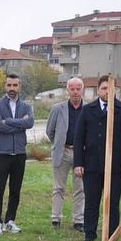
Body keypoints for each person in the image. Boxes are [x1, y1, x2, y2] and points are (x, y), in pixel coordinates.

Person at [73, 75, 121, 241]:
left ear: (117, 90)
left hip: (115, 167)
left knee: (113, 202)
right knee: (92, 201)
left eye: (111, 88)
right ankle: (89, 234)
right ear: (98, 90)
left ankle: (111, 236)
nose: (107, 92)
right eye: (104, 88)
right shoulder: (88, 110)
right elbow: (79, 138)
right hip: (91, 165)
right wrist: (78, 163)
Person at [0, 73, 34, 235]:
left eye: (15, 85)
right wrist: (19, 124)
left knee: (15, 189)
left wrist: (7, 121)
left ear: (20, 87)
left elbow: (29, 123)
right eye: (9, 85)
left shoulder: (27, 106)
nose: (12, 88)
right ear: (5, 86)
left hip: (20, 154)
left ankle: (10, 221)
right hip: (2, 153)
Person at [46, 77, 85, 231]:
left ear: (82, 89)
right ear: (68, 90)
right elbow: (50, 131)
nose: (75, 92)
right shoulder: (57, 109)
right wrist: (59, 143)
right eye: (72, 89)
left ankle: (78, 220)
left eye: (78, 88)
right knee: (58, 188)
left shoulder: (88, 109)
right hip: (62, 152)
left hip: (81, 154)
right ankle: (56, 218)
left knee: (80, 188)